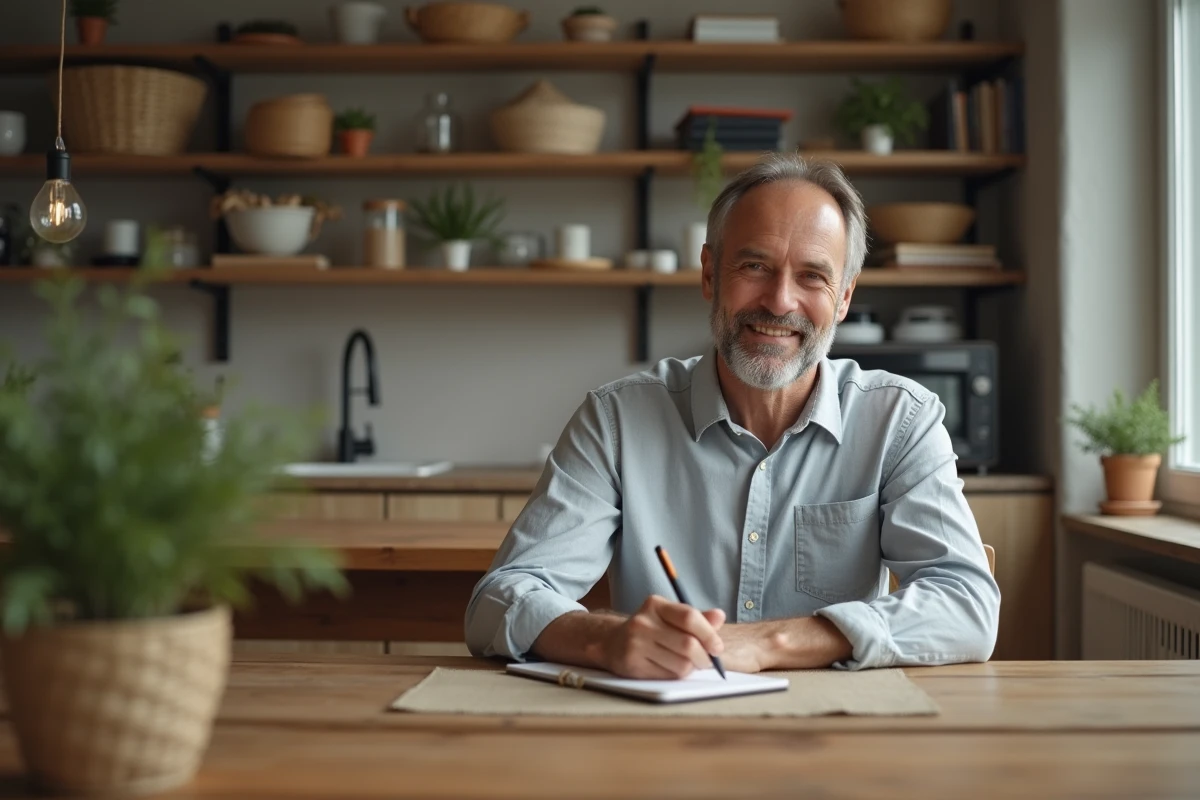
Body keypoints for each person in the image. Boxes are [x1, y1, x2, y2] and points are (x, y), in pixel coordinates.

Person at [465, 152, 1000, 678]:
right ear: (709, 274)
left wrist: (772, 642)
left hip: (836, 736)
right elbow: (499, 599)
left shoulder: (900, 421)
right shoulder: (616, 420)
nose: (779, 301)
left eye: (812, 276)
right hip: (660, 736)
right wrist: (606, 638)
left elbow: (968, 605)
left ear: (843, 299)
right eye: (754, 266)